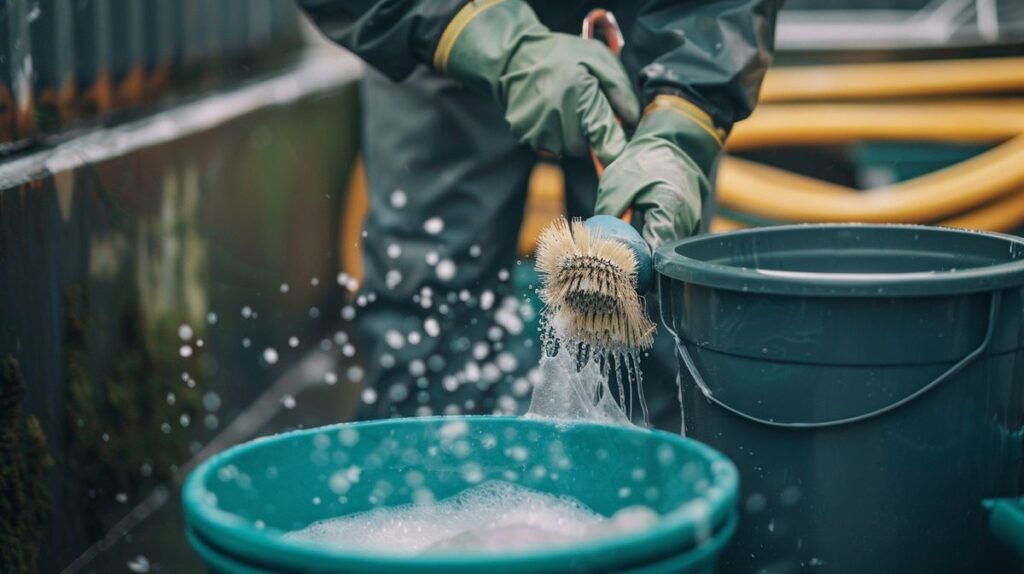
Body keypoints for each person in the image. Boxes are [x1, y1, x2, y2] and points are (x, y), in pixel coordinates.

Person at [298, 0, 781, 431]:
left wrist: (682, 125)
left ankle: (650, 503)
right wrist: (493, 43)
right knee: (428, 321)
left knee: (653, 309)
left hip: (657, 31)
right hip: (438, 23)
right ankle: (420, 497)